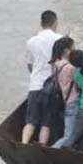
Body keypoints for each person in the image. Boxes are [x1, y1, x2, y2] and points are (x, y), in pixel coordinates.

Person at [22, 10, 62, 144]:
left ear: (41, 23)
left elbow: (29, 65)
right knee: (46, 122)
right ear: (55, 23)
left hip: (34, 86)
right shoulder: (59, 39)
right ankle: (42, 145)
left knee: (30, 121)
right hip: (51, 87)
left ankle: (24, 144)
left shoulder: (31, 42)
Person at [50, 37, 79, 149]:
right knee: (69, 136)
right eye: (73, 48)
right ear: (66, 50)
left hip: (65, 100)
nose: (75, 50)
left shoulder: (56, 65)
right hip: (74, 102)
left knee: (70, 133)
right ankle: (52, 151)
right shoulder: (70, 68)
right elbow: (79, 83)